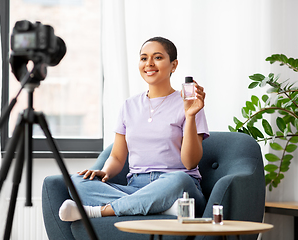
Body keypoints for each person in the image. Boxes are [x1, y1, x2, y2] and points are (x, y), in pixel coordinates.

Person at [59, 36, 209, 222]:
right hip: (136, 187)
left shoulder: (190, 104)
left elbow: (190, 163)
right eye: (144, 58)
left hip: (176, 185)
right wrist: (105, 172)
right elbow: (117, 156)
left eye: (158, 57)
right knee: (77, 182)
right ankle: (159, 208)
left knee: (180, 179)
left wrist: (190, 115)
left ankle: (100, 211)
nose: (149, 64)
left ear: (174, 65)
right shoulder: (128, 106)